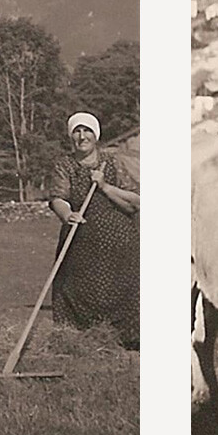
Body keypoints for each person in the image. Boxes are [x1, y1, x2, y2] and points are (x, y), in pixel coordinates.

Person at [47, 111, 140, 348]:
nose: (81, 136)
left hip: (119, 245)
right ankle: (83, 343)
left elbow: (135, 202)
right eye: (77, 131)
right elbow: (58, 197)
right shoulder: (65, 165)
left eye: (87, 130)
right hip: (80, 243)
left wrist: (104, 186)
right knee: (76, 291)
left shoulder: (113, 162)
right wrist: (68, 214)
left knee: (124, 291)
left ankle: (127, 341)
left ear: (95, 135)